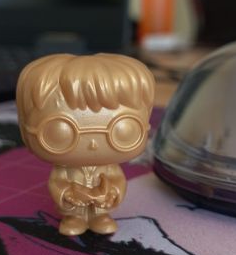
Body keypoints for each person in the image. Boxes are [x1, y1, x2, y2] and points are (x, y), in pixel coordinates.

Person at [16, 53, 155, 236]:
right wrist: (67, 194)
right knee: (74, 216)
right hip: (75, 203)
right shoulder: (64, 168)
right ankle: (74, 219)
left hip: (101, 203)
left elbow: (117, 179)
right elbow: (57, 182)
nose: (93, 144)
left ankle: (100, 217)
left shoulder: (109, 167)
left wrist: (112, 193)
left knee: (101, 214)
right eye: (61, 131)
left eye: (122, 129)